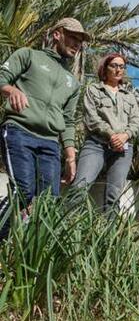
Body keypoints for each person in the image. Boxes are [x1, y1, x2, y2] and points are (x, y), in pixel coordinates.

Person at [0, 18, 89, 225]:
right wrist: (11, 89)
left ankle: (26, 251)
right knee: (23, 190)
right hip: (19, 131)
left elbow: (67, 120)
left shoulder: (72, 83)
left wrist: (70, 156)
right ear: (57, 34)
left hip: (50, 143)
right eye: (73, 37)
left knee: (49, 201)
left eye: (80, 41)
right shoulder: (28, 55)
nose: (77, 44)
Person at [71, 53, 139, 211]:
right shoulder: (94, 90)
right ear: (105, 68)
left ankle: (109, 234)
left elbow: (136, 122)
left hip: (123, 148)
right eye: (114, 66)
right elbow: (91, 118)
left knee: (114, 195)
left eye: (122, 67)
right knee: (79, 187)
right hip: (96, 144)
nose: (118, 70)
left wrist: (125, 136)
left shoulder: (129, 96)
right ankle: (68, 227)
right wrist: (112, 135)